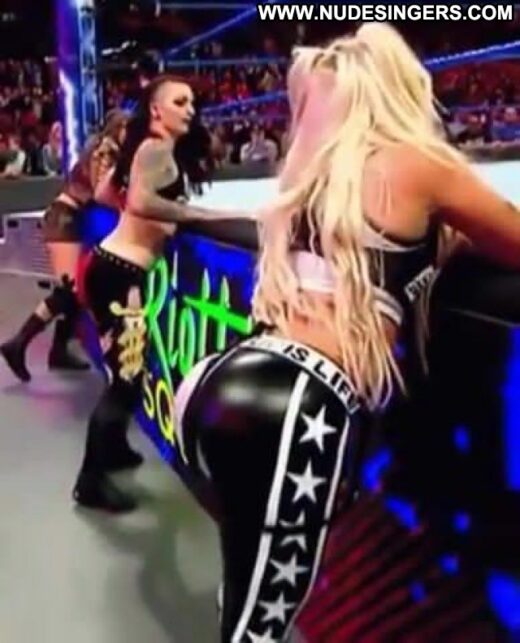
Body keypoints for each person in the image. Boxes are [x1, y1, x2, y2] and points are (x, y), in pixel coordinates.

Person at [172, 23, 520, 643]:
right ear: (402, 88)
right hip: (297, 406)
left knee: (241, 587)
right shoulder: (417, 163)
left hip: (216, 379)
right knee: (255, 631)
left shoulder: (310, 178)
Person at [72, 74, 252, 513]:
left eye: (191, 102)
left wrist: (148, 219)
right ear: (156, 110)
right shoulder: (155, 149)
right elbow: (141, 202)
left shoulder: (149, 148)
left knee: (128, 371)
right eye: (179, 102)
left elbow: (106, 193)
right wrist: (198, 215)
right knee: (127, 378)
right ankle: (89, 482)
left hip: (113, 269)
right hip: (119, 275)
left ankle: (113, 450)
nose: (189, 109)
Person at [0, 109, 128, 382]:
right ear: (117, 128)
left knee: (78, 291)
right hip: (64, 219)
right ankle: (18, 344)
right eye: (126, 127)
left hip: (72, 218)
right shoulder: (106, 149)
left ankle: (57, 351)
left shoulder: (105, 148)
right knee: (70, 290)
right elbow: (100, 192)